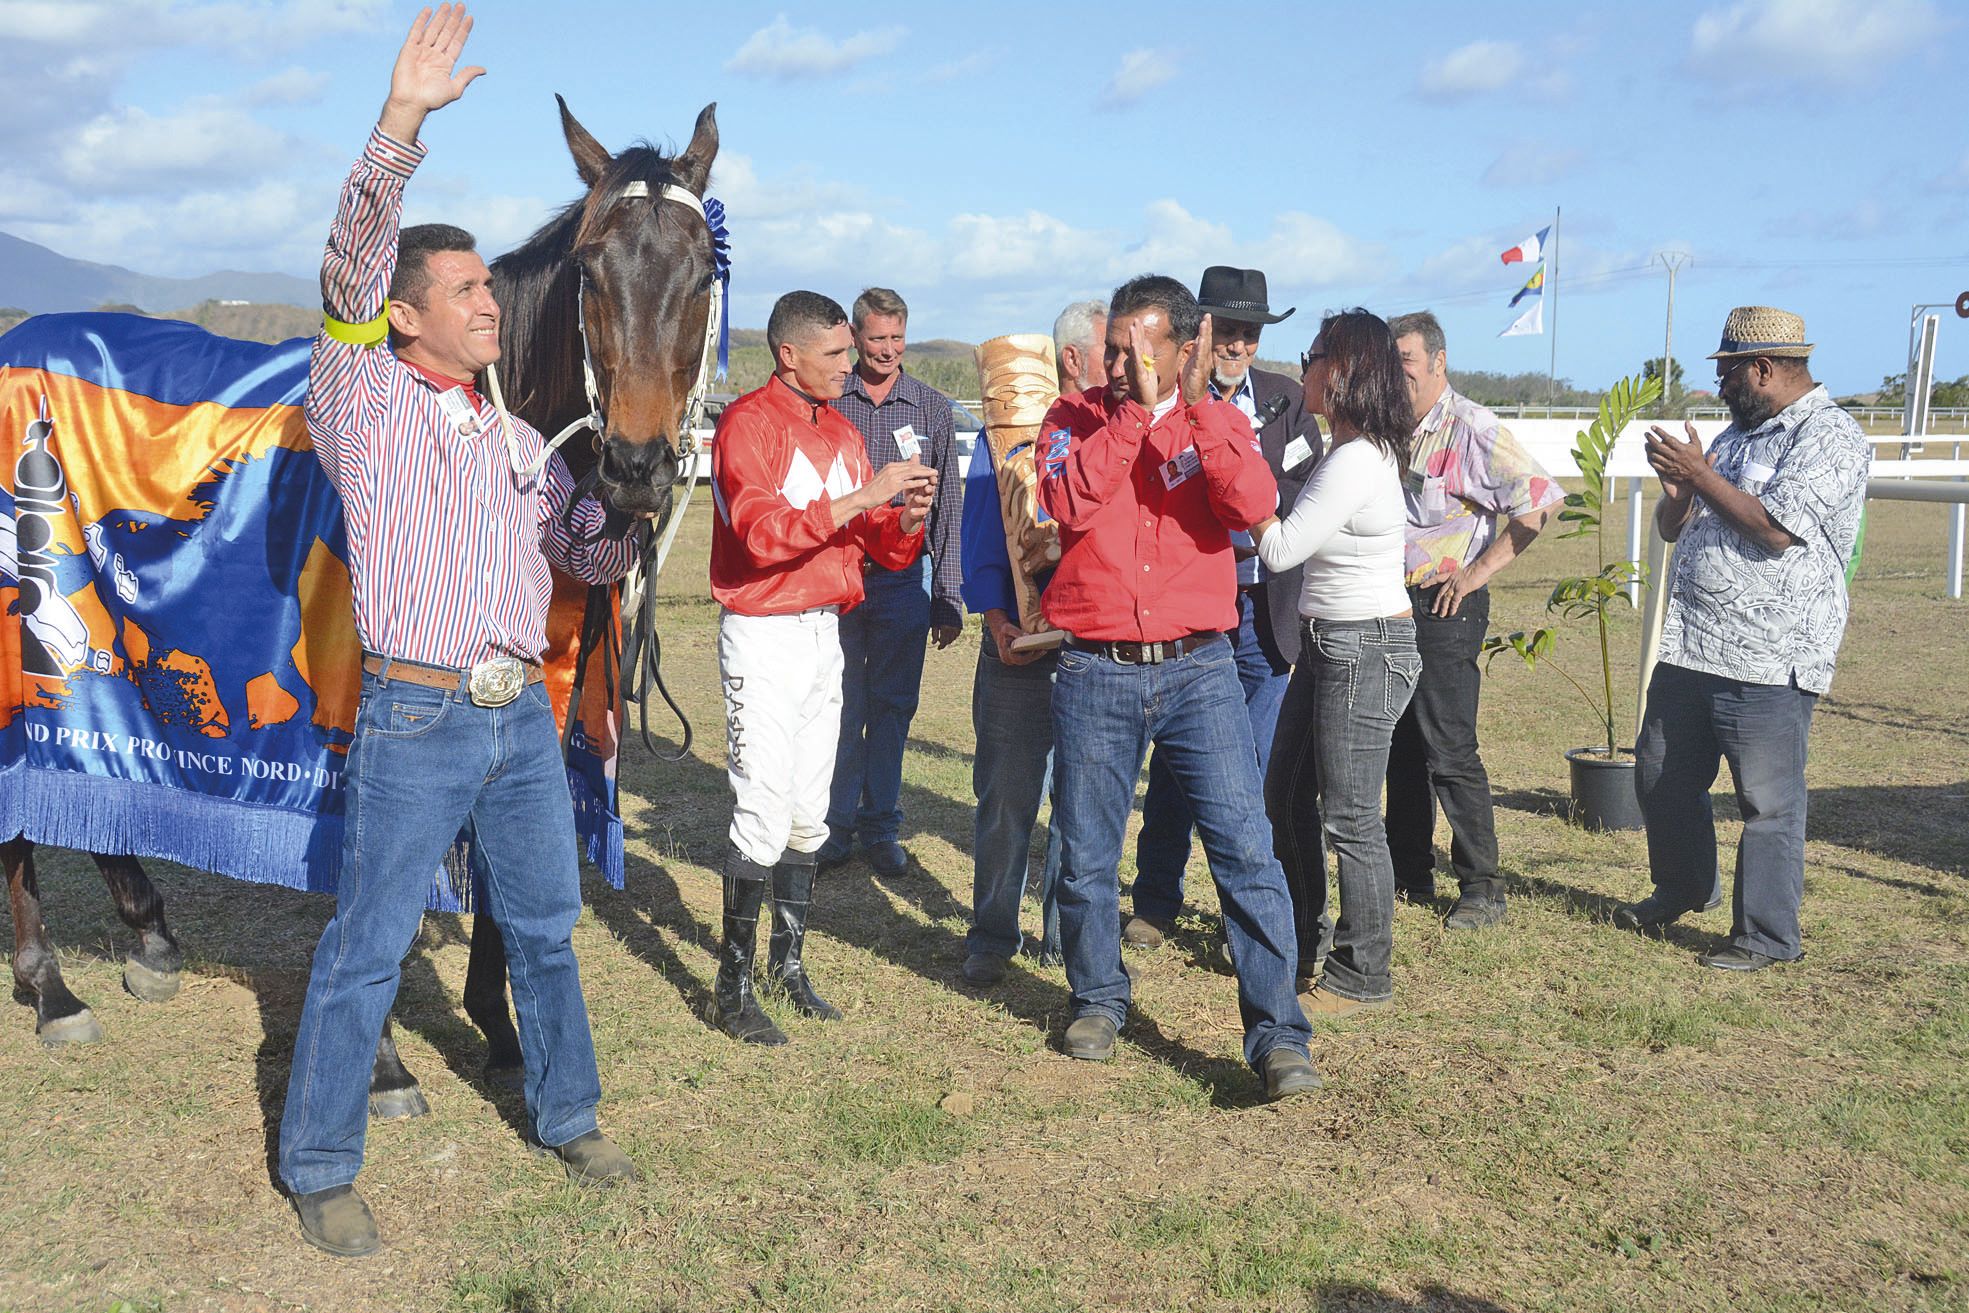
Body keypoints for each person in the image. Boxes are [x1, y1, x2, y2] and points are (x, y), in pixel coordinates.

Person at [279, 4, 641, 1258]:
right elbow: (347, 262)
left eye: (493, 284)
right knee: (370, 943)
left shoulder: (516, 438)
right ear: (407, 314)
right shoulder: (361, 398)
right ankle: (323, 1161)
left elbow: (583, 556)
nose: (495, 302)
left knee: (542, 926)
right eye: (472, 288)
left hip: (518, 722)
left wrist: (631, 505)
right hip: (420, 709)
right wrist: (401, 122)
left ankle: (568, 1112)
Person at [1037, 274, 1317, 1101]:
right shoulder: (1070, 420)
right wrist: (1131, 417)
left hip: (1200, 668)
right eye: (1114, 345)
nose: (1122, 361)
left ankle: (1276, 1034)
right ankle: (1096, 997)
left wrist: (1188, 414)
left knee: (1244, 849)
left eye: (1139, 346)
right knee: (1087, 853)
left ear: (1181, 347)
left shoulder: (1221, 422)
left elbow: (1254, 502)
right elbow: (1068, 499)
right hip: (1096, 667)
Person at [709, 290, 936, 1044]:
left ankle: (787, 965)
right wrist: (863, 498)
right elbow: (758, 534)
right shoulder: (748, 423)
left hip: (823, 633)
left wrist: (902, 514)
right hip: (763, 630)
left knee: (810, 812)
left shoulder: (840, 430)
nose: (852, 365)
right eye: (836, 353)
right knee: (763, 810)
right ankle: (730, 990)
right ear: (789, 355)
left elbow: (880, 544)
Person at [1618, 306, 1868, 970]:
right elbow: (1677, 527)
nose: (1719, 385)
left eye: (1727, 372)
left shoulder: (1828, 435)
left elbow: (1774, 530)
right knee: (1659, 775)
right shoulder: (1734, 436)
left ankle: (1765, 936)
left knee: (1765, 804)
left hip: (1771, 656)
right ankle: (1681, 887)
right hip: (1693, 645)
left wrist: (1701, 476)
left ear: (1763, 368)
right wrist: (1679, 489)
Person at [1126, 267, 1322, 949]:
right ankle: (1155, 900)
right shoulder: (1169, 398)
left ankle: (1247, 916)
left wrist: (1250, 498)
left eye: (1248, 333)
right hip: (1195, 608)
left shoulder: (1286, 400)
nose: (1237, 345)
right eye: (1226, 331)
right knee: (1181, 765)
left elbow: (1305, 491)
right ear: (1200, 333)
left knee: (1255, 772)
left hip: (1266, 609)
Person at [1255, 309, 1422, 1017]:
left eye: (1315, 355)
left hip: (1361, 645)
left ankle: (1362, 971)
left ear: (1343, 370)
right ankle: (1303, 936)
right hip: (1336, 642)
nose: (1305, 368)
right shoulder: (1350, 449)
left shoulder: (1355, 458)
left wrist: (1239, 485)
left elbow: (1279, 549)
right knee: (1286, 796)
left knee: (1349, 816)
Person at [1383, 311, 1564, 929]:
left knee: (1448, 746)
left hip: (1446, 605)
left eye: (1406, 359)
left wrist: (1474, 573)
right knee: (1399, 746)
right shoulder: (1388, 426)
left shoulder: (1473, 427)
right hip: (1390, 602)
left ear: (1438, 360)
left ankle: (1482, 885)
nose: (1397, 371)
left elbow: (1542, 500)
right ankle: (1407, 868)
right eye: (1391, 359)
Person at [959, 300, 1105, 985]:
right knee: (1006, 799)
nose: (1129, 368)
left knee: (1080, 803)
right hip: (1015, 653)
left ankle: (1063, 931)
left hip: (1092, 654)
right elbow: (982, 534)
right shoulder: (1006, 435)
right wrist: (999, 621)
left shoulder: (1116, 432)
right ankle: (992, 932)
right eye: (1114, 353)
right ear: (1072, 358)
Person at [819, 288, 964, 879]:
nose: (887, 350)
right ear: (855, 338)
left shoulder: (930, 406)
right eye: (876, 338)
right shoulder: (831, 400)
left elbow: (949, 504)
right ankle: (833, 827)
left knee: (893, 707)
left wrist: (949, 593)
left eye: (896, 338)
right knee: (841, 704)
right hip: (842, 576)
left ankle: (881, 826)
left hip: (905, 580)